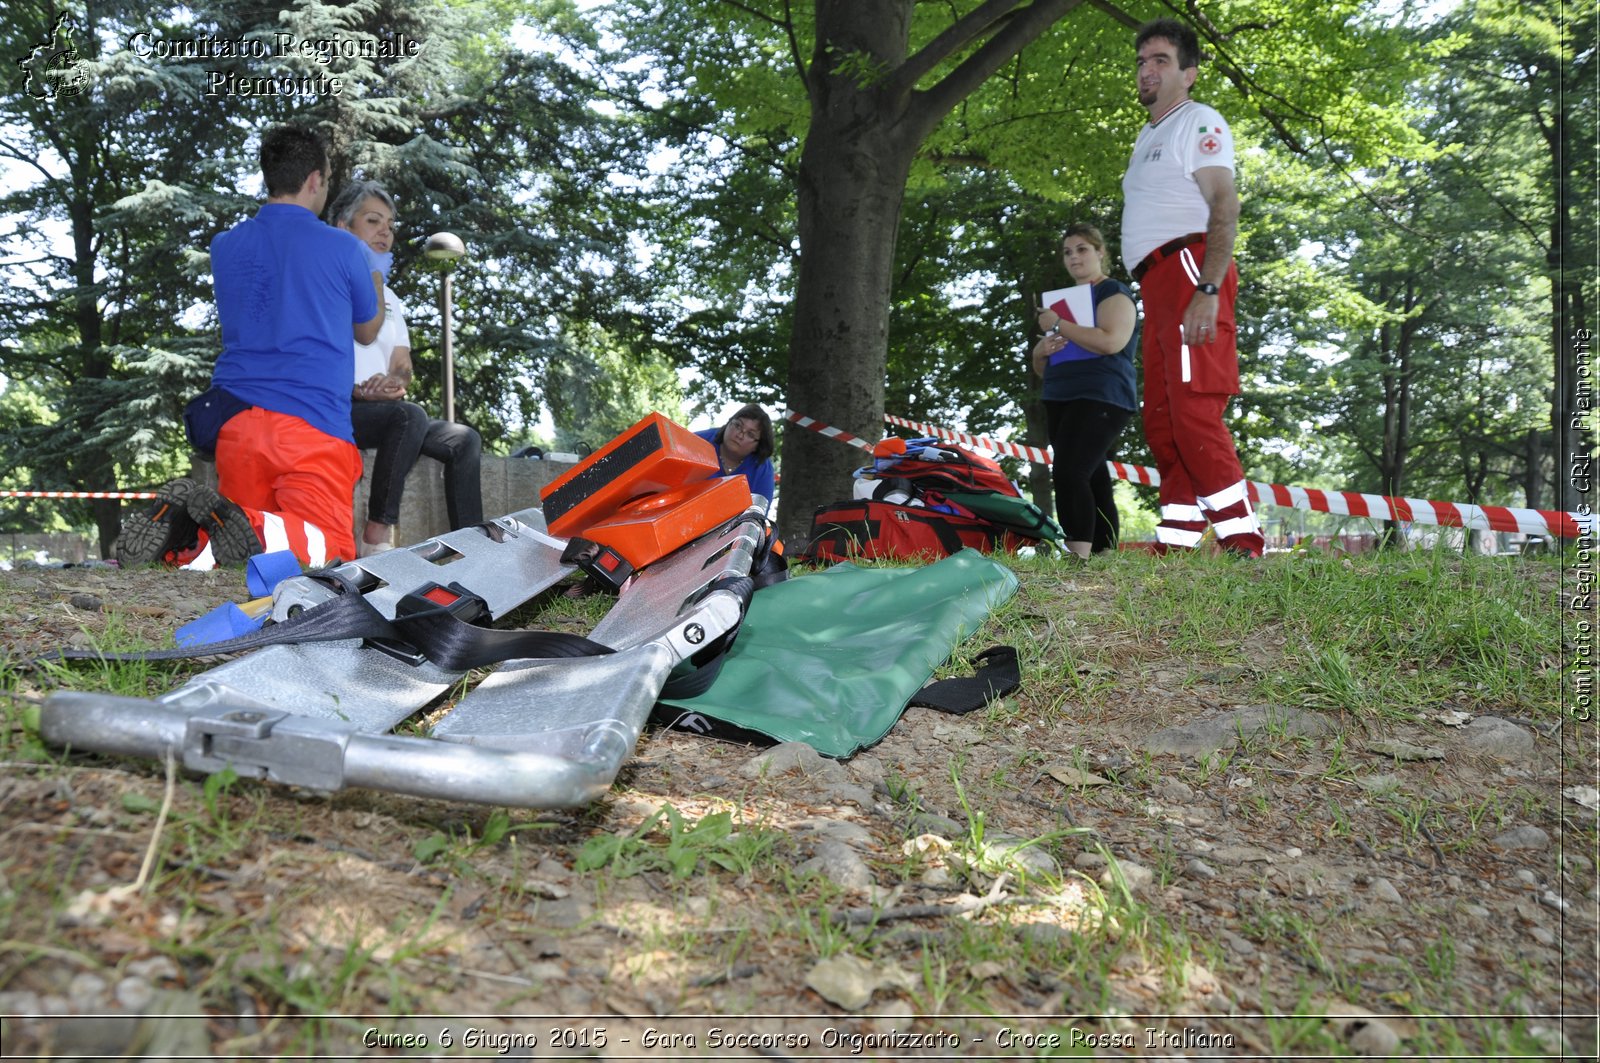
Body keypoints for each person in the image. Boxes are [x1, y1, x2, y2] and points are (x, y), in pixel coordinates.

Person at [117, 124, 383, 568]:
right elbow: (368, 329)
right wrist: (372, 269)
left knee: (242, 560)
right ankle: (213, 534)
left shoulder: (226, 245)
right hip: (310, 426)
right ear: (315, 179)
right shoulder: (345, 248)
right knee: (328, 553)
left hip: (237, 428)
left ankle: (188, 542)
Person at [1120, 18, 1264, 558]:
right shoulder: (1149, 134)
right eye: (1141, 61)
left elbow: (1224, 206)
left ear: (1189, 74)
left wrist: (1206, 286)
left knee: (1194, 408)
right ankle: (1177, 541)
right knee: (1161, 416)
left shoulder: (1198, 121)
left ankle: (1243, 541)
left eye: (1160, 60)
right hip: (1156, 284)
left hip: (1188, 270)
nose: (1147, 70)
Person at [329, 180, 484, 555]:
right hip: (337, 408)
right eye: (373, 220)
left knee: (464, 439)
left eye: (391, 224)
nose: (386, 231)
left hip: (388, 412)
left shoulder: (392, 299)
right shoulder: (328, 284)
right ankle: (376, 536)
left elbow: (403, 366)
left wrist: (395, 383)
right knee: (409, 416)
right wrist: (356, 389)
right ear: (343, 228)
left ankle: (472, 546)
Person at [1032, 223, 1139, 560]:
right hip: (1060, 395)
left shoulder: (1114, 293)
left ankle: (1077, 556)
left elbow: (1111, 341)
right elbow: (1044, 369)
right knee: (1091, 473)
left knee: (1068, 471)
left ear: (1100, 252)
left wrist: (1057, 324)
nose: (1074, 257)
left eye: (1082, 249)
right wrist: (1041, 351)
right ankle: (1104, 553)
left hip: (1102, 394)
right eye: (1067, 252)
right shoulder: (1061, 304)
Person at [697, 405, 776, 508]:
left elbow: (757, 515)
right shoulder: (698, 441)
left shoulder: (763, 470)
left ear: (757, 446)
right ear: (728, 423)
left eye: (750, 434)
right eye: (738, 425)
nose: (740, 435)